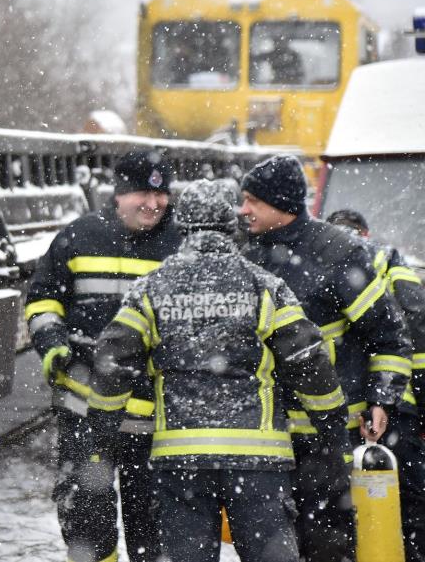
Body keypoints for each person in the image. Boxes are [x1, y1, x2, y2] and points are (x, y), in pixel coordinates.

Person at [87, 179, 350, 562]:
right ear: (233, 226)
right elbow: (306, 358)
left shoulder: (152, 289)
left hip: (181, 461)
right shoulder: (264, 286)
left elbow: (113, 361)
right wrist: (331, 421)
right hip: (259, 461)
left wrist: (103, 427)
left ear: (181, 228)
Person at [239, 155, 413, 562]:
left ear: (280, 203)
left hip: (330, 438)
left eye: (252, 201)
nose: (243, 210)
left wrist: (382, 399)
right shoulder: (246, 257)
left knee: (328, 545)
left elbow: (388, 336)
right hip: (267, 437)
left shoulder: (339, 253)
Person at [23, 150, 182, 562]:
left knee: (154, 524)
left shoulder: (181, 247)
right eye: (141, 194)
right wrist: (53, 344)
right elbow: (42, 301)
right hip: (85, 407)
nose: (152, 204)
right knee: (85, 519)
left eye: (161, 195)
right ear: (118, 195)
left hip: (153, 416)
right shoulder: (78, 236)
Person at [327, 208, 425, 562]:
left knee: (341, 498)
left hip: (340, 406)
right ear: (365, 233)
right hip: (396, 403)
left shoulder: (317, 257)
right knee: (410, 496)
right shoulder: (388, 260)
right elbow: (416, 327)